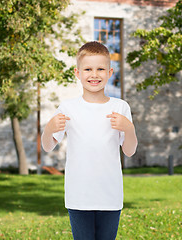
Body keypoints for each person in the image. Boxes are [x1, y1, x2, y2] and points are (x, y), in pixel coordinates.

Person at [41, 41, 138, 240]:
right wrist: (49, 128)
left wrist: (129, 129)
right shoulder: (68, 108)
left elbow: (129, 151)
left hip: (110, 195)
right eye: (88, 69)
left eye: (100, 69)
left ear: (110, 72)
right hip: (79, 196)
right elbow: (47, 146)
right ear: (78, 73)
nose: (94, 74)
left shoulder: (121, 107)